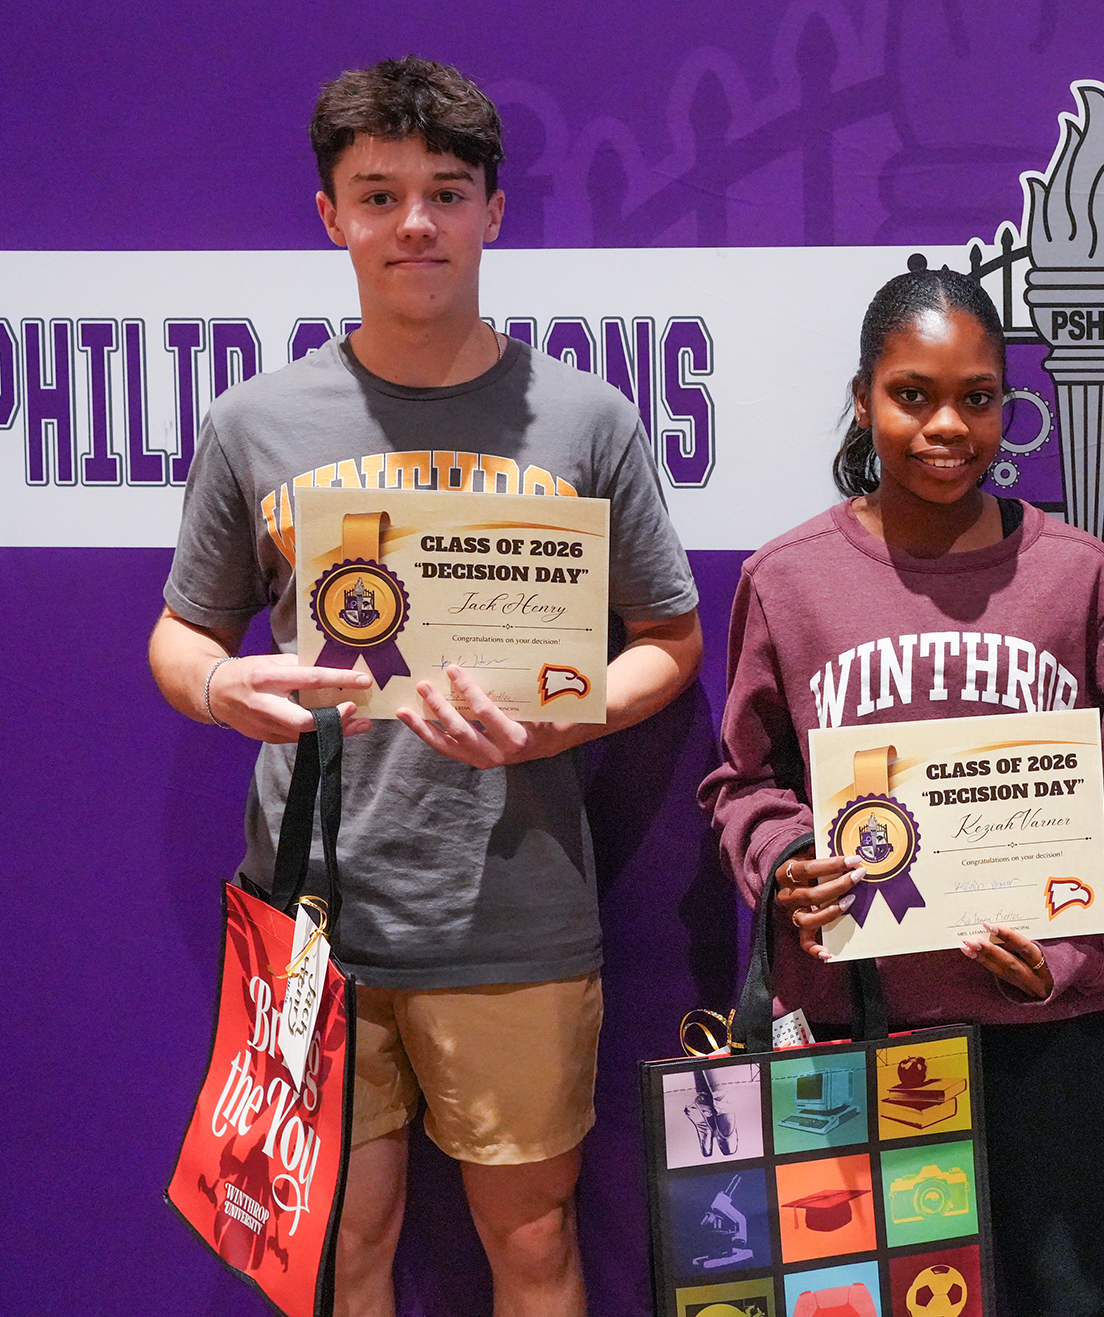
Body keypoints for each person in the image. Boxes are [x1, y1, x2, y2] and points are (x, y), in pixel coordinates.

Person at [147, 57, 702, 1317]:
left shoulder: (585, 419)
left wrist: (573, 716)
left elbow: (669, 638)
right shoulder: (253, 423)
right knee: (338, 1245)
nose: (414, 224)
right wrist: (219, 686)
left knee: (535, 1241)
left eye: (446, 193)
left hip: (513, 909)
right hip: (314, 914)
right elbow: (181, 634)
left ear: (492, 212)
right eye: (378, 194)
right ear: (331, 214)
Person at [699, 262, 1104, 1317]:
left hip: (1038, 1031)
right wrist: (787, 866)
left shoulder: (1078, 576)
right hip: (852, 1029)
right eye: (912, 395)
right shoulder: (789, 577)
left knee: (1060, 1297)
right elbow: (744, 781)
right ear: (863, 398)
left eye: (977, 397)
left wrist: (1063, 957)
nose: (947, 426)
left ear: (1008, 404)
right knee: (857, 1301)